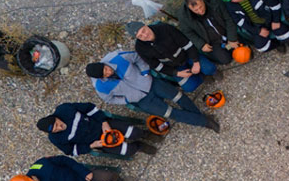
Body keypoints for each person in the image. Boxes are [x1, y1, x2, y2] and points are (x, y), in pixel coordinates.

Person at [86, 52, 217, 131]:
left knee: (179, 97)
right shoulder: (100, 87)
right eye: (105, 74)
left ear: (103, 63)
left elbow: (137, 57)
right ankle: (205, 122)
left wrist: (144, 73)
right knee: (172, 113)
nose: (108, 72)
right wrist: (127, 99)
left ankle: (199, 118)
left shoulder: (117, 58)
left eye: (106, 68)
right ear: (100, 78)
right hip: (142, 101)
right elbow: (109, 99)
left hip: (152, 83)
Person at [37, 102, 157, 157]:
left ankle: (145, 134)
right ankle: (139, 146)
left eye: (57, 124)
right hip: (100, 141)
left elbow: (90, 108)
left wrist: (104, 122)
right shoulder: (56, 139)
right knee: (128, 151)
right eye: (55, 130)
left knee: (134, 132)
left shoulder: (65, 109)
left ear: (55, 117)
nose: (59, 128)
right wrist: (91, 146)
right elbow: (71, 151)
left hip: (103, 125)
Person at [128, 21, 217, 92]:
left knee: (210, 68)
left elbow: (187, 44)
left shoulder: (164, 28)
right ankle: (202, 76)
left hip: (187, 55)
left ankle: (207, 70)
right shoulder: (140, 48)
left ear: (146, 25)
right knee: (189, 87)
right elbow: (157, 66)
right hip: (175, 67)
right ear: (137, 38)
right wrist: (177, 73)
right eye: (140, 36)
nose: (145, 35)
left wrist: (196, 61)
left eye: (143, 30)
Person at [213, 0, 289, 54]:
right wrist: (258, 31)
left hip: (271, 17)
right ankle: (278, 44)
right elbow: (239, 22)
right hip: (257, 25)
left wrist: (276, 21)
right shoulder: (230, 6)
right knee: (261, 47)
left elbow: (275, 4)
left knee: (285, 34)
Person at [176, 0, 243, 65]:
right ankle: (219, 54)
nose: (200, 11)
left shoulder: (215, 2)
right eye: (196, 10)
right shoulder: (184, 17)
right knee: (225, 59)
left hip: (225, 32)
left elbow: (228, 19)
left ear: (202, 0)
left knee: (240, 46)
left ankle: (230, 45)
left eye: (201, 7)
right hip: (212, 42)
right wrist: (201, 44)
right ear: (190, 8)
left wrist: (232, 38)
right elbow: (188, 32)